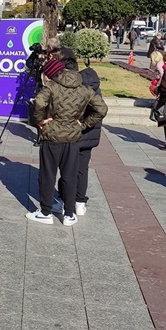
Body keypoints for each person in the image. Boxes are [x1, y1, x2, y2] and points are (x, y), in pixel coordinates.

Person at [27, 59, 107, 226]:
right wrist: (84, 124)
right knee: (70, 175)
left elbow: (39, 103)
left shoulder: (51, 87)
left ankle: (46, 212)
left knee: (47, 175)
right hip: (73, 137)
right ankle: (69, 214)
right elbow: (102, 109)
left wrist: (40, 121)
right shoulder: (84, 88)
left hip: (52, 135)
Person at [62, 58, 102, 217]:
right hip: (90, 135)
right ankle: (80, 202)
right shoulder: (95, 87)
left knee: (68, 169)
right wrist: (86, 125)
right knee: (82, 169)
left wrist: (81, 124)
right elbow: (100, 110)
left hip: (75, 133)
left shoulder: (77, 88)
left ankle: (67, 201)